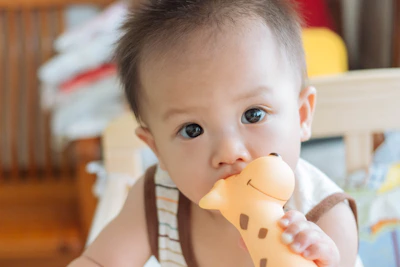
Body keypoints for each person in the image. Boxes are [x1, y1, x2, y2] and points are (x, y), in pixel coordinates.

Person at [68, 0, 362, 266]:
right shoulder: (157, 201)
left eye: (253, 114)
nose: (228, 151)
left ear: (301, 116)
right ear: (157, 150)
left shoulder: (324, 216)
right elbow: (99, 261)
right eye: (192, 130)